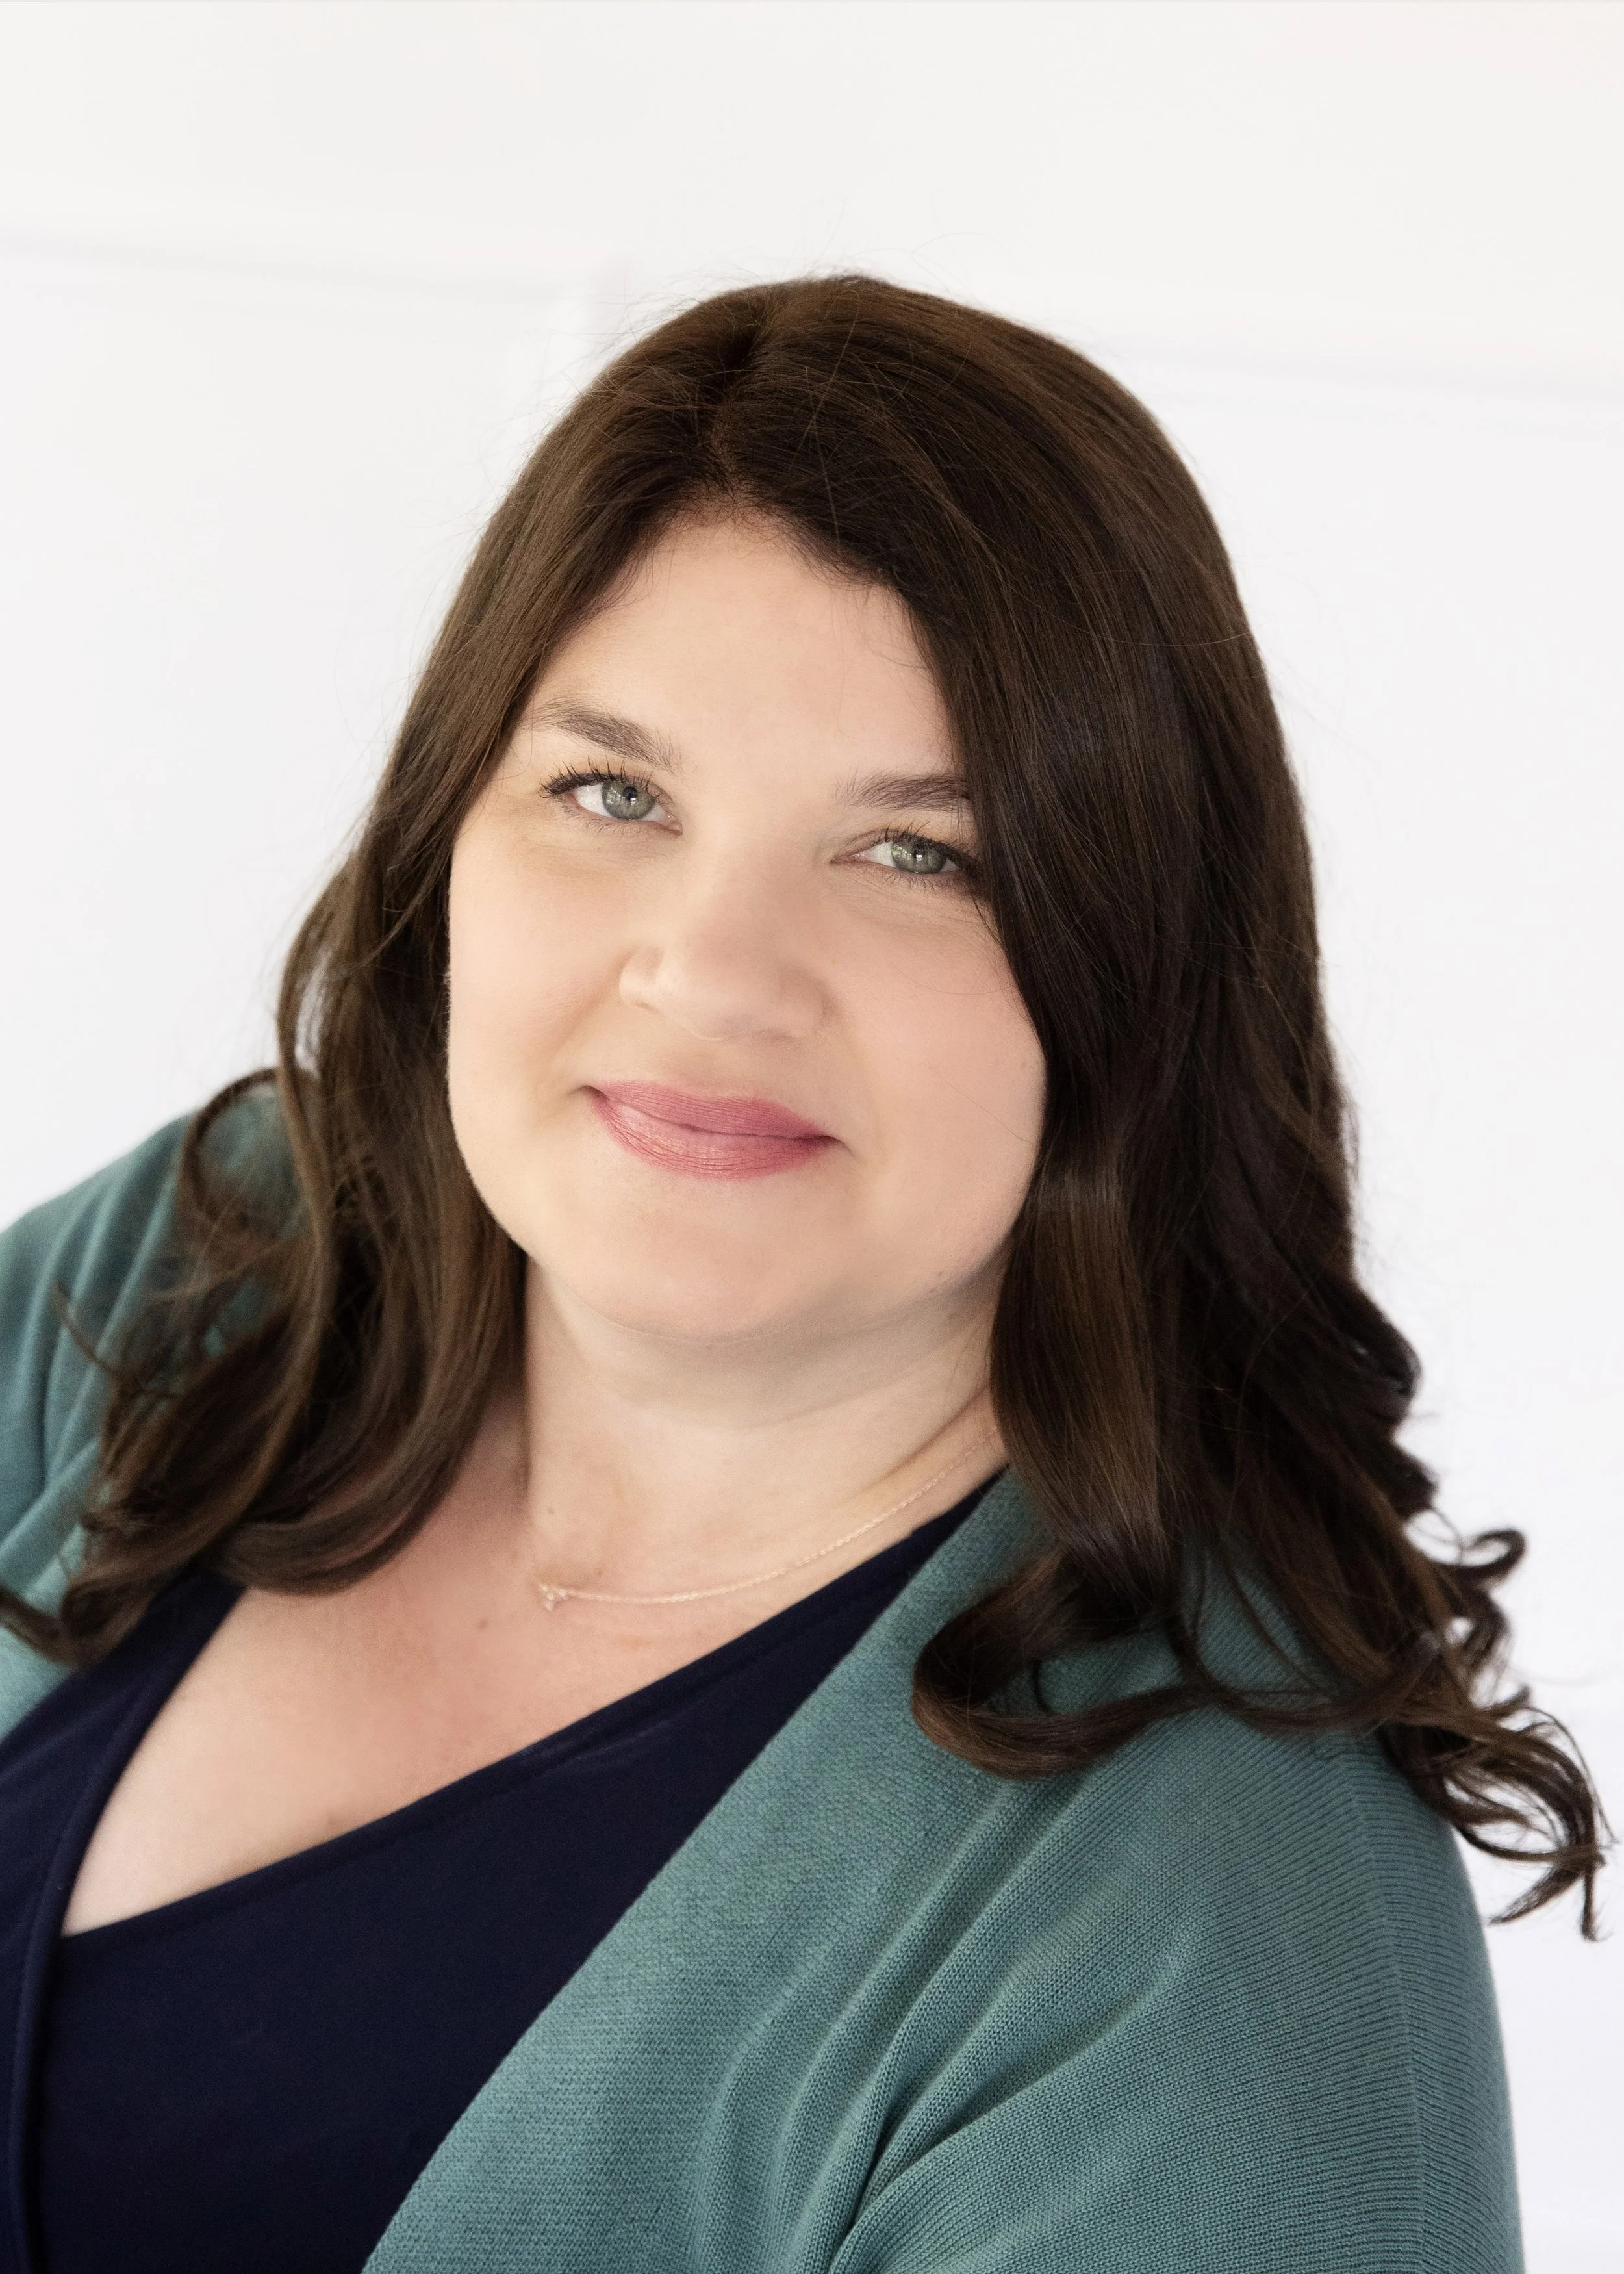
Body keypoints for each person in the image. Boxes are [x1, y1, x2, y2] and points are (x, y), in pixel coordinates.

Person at [0, 275, 1603, 2274]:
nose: (712, 974)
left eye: (919, 852)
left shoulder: (1222, 1950)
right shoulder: (227, 1256)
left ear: (1130, 975)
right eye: (612, 792)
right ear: (445, 838)